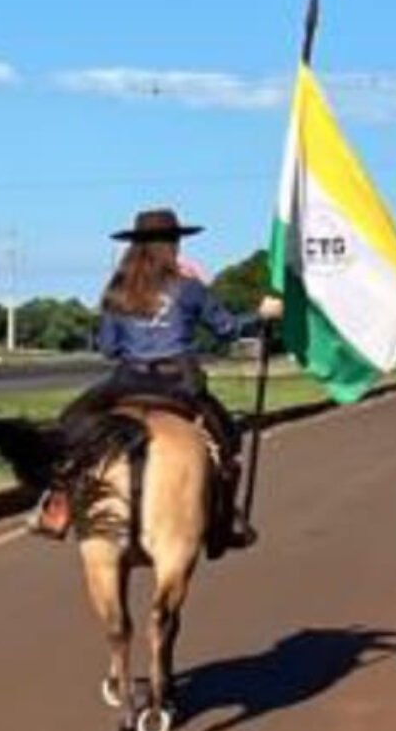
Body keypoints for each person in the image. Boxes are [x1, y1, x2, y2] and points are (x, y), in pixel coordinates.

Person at [29, 208, 283, 558]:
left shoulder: (118, 289)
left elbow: (107, 348)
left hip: (127, 381)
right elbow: (228, 329)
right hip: (179, 383)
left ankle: (56, 508)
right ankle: (225, 520)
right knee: (227, 439)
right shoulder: (190, 289)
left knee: (69, 426)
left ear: (135, 248)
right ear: (172, 245)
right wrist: (263, 314)